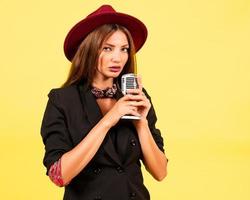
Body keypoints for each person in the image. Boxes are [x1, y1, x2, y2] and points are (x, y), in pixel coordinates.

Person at [40, 4, 168, 200]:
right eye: (107, 48)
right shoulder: (62, 100)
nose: (117, 58)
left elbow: (161, 173)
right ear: (89, 50)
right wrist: (110, 118)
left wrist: (141, 123)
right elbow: (59, 175)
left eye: (124, 49)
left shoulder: (137, 97)